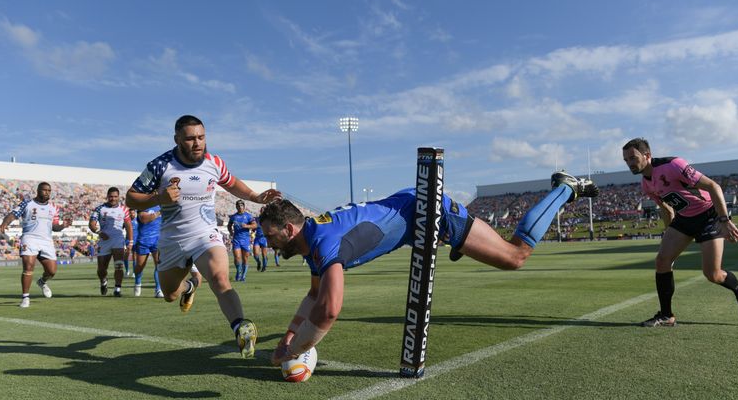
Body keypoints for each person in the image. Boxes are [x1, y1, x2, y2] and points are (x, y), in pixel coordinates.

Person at [261, 172, 599, 365]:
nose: (268, 244)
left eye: (271, 237)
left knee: (515, 256)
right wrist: (290, 336)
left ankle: (564, 188)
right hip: (413, 213)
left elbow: (330, 310)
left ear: (289, 230)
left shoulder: (323, 243)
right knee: (501, 252)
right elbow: (315, 294)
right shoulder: (311, 241)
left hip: (429, 211)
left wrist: (294, 351)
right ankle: (458, 245)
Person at [125, 114, 281, 358]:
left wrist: (255, 196)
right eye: (190, 138)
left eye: (201, 137)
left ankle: (241, 327)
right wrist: (158, 198)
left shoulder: (214, 162)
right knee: (170, 295)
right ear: (177, 139)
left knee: (220, 278)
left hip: (205, 234)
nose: (197, 143)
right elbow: (131, 198)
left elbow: (230, 182)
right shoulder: (160, 165)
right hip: (172, 240)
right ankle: (191, 285)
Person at [622, 138, 738, 327]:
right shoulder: (646, 184)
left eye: (633, 157)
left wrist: (724, 220)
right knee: (662, 260)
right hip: (684, 219)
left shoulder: (673, 165)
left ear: (647, 155)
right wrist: (669, 236)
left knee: (713, 274)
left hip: (708, 216)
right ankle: (666, 315)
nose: (630, 163)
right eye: (626, 160)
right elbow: (667, 209)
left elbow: (713, 187)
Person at [0, 182, 71, 308]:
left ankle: (42, 282)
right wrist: (5, 223)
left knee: (51, 271)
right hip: (29, 238)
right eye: (44, 190)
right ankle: (25, 298)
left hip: (46, 241)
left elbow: (55, 227)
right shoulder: (27, 204)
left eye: (49, 190)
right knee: (28, 267)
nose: (47, 192)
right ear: (38, 191)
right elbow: (12, 215)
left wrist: (63, 226)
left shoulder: (54, 207)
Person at [89, 187, 133, 298]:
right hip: (104, 241)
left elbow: (128, 226)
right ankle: (103, 281)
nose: (113, 198)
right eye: (111, 196)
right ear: (107, 196)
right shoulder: (99, 209)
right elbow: (92, 224)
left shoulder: (124, 209)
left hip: (118, 240)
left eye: (115, 196)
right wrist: (99, 232)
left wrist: (130, 242)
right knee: (101, 269)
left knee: (119, 266)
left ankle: (117, 289)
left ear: (118, 197)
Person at [133, 206, 162, 297]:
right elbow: (144, 219)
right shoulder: (143, 205)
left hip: (158, 240)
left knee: (159, 264)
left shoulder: (161, 204)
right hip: (143, 240)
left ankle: (158, 289)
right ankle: (138, 282)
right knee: (140, 266)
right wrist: (159, 213)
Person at [228, 200, 256, 281]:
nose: (240, 207)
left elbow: (255, 225)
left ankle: (243, 276)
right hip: (236, 239)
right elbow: (229, 225)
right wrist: (231, 232)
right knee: (237, 257)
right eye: (238, 206)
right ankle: (238, 271)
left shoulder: (248, 216)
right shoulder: (233, 217)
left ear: (244, 206)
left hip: (246, 240)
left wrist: (246, 226)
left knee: (245, 258)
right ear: (236, 207)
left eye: (241, 206)